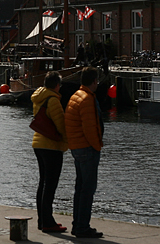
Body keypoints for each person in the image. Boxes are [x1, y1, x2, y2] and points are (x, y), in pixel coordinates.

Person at [65, 67, 104, 238]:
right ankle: (82, 227)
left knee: (80, 188)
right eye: (97, 81)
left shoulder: (75, 95)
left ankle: (77, 224)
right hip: (87, 148)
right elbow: (90, 127)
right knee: (88, 189)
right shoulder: (87, 99)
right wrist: (97, 146)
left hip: (76, 147)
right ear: (94, 81)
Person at [32, 71, 68, 234]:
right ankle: (48, 222)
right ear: (57, 85)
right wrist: (67, 141)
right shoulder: (53, 100)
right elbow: (60, 124)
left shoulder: (38, 97)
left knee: (43, 183)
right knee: (50, 185)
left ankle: (42, 220)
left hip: (38, 143)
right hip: (51, 145)